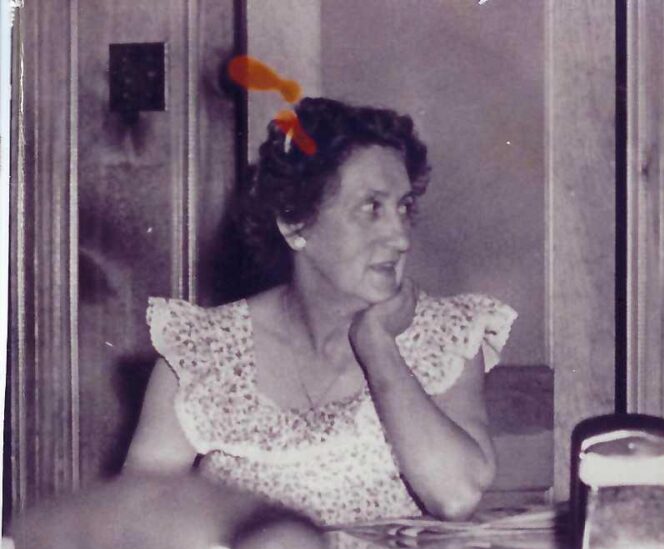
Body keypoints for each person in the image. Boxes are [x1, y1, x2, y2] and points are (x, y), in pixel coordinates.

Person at [125, 97, 516, 527]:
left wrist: (378, 346)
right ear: (294, 223)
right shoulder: (202, 350)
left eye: (404, 208)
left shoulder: (446, 336)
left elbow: (456, 495)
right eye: (372, 208)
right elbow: (135, 522)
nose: (401, 237)